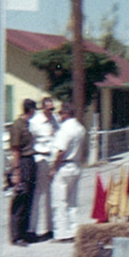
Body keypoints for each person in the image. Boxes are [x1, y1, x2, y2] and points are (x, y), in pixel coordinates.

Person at [48, 103, 86, 243]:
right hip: (75, 165)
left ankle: (61, 233)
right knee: (72, 201)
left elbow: (61, 150)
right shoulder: (79, 128)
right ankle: (73, 230)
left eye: (60, 113)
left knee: (59, 201)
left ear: (65, 114)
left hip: (63, 166)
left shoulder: (65, 129)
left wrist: (53, 168)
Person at [27, 97, 59, 241]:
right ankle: (35, 229)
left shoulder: (55, 120)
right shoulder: (35, 122)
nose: (51, 111)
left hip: (53, 159)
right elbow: (30, 141)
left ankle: (50, 228)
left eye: (53, 108)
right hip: (41, 158)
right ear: (43, 108)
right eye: (49, 109)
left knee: (52, 195)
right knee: (40, 195)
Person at [9, 99, 38, 246]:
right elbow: (15, 150)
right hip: (22, 162)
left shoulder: (27, 124)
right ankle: (16, 236)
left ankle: (24, 232)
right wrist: (16, 171)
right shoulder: (17, 125)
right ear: (31, 110)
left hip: (30, 161)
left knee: (29, 199)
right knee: (20, 199)